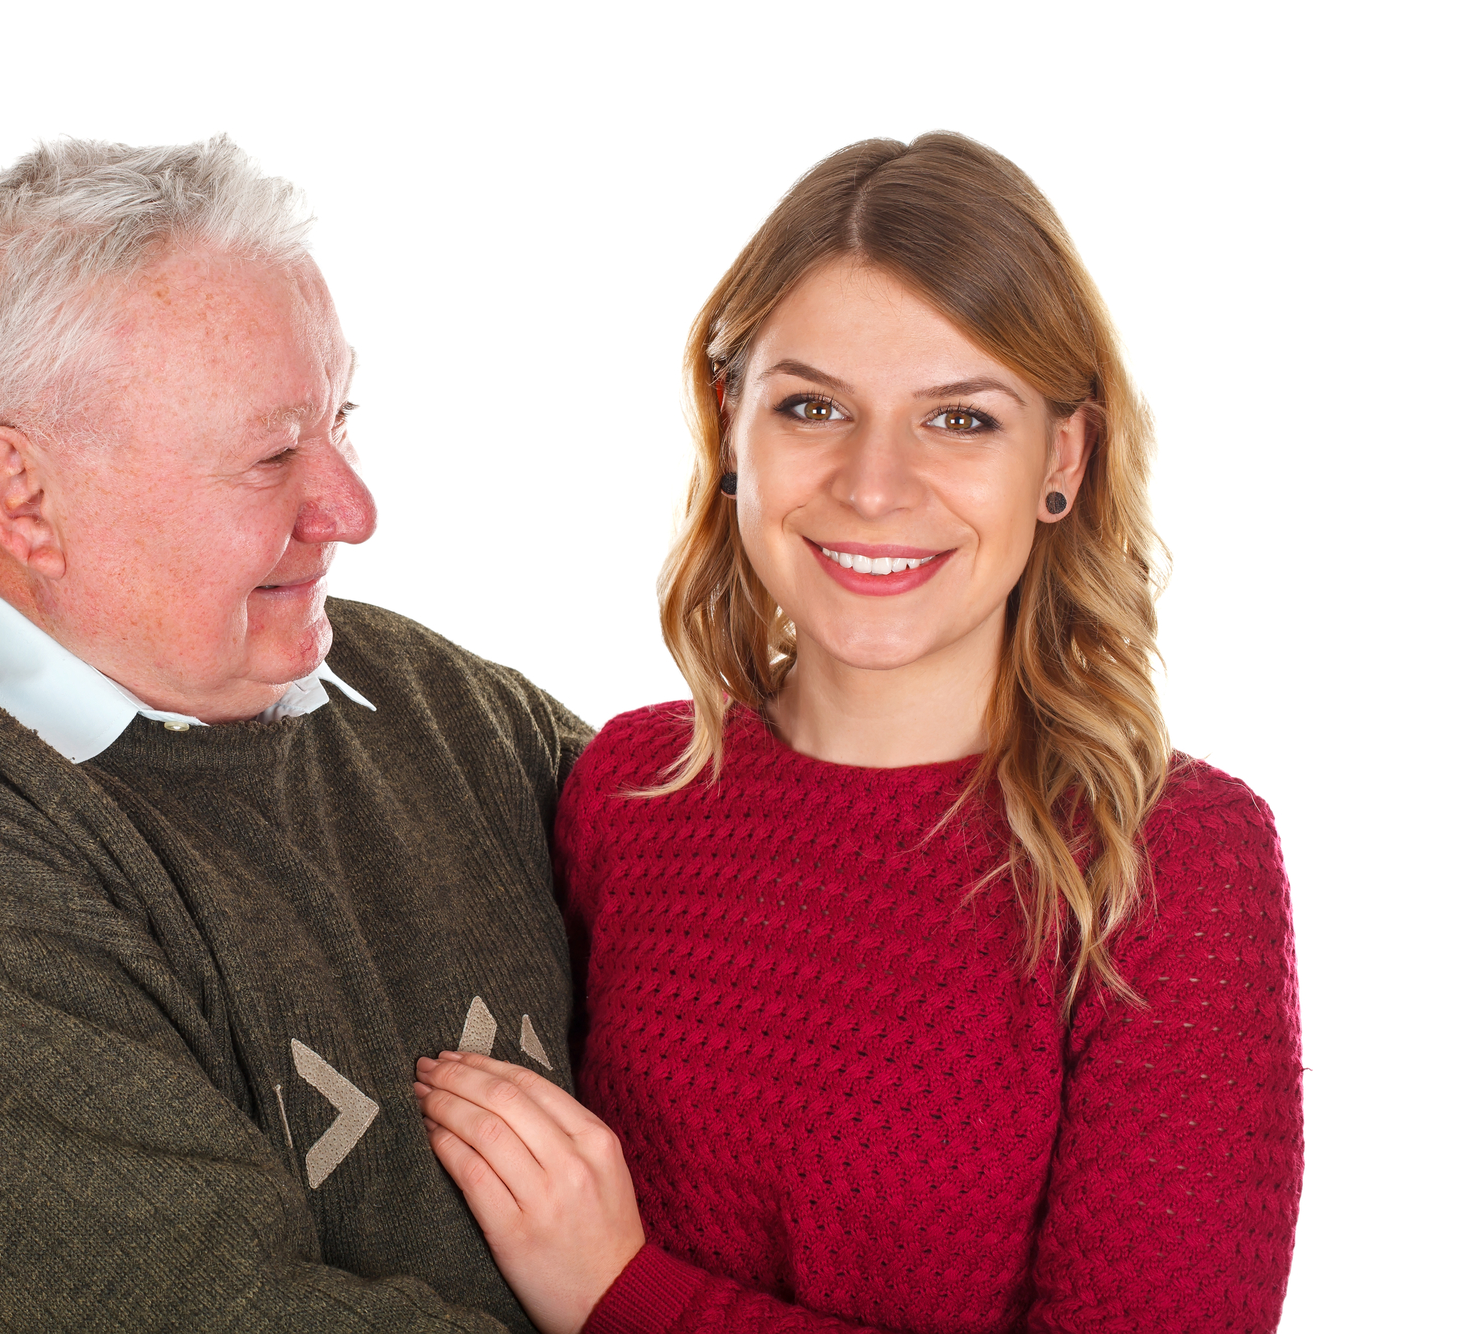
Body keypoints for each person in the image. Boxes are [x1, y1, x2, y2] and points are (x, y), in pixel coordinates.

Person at [0, 136, 591, 1333]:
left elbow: (792, 907)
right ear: (23, 498)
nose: (353, 509)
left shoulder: (421, 697)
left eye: (340, 421)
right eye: (271, 455)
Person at [414, 133, 1304, 1333]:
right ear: (731, 428)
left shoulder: (1172, 861)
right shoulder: (627, 789)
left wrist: (620, 1293)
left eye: (959, 420)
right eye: (812, 405)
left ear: (1062, 457)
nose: (873, 483)